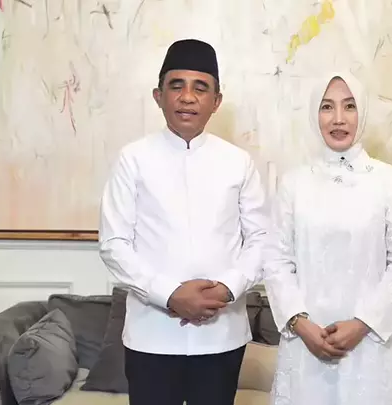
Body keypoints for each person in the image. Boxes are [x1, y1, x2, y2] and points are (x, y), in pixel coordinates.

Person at [98, 38, 269, 405]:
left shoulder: (238, 163)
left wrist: (225, 290)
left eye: (200, 87)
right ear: (158, 96)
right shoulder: (133, 159)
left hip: (221, 335)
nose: (187, 97)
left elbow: (261, 240)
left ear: (216, 101)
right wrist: (170, 295)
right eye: (177, 85)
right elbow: (114, 245)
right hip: (151, 336)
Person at [263, 71, 392, 405]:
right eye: (327, 107)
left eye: (349, 106)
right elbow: (276, 260)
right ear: (315, 113)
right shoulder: (294, 184)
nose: (338, 118)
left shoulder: (390, 183)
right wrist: (301, 325)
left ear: (362, 112)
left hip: (371, 345)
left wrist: (362, 324)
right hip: (305, 342)